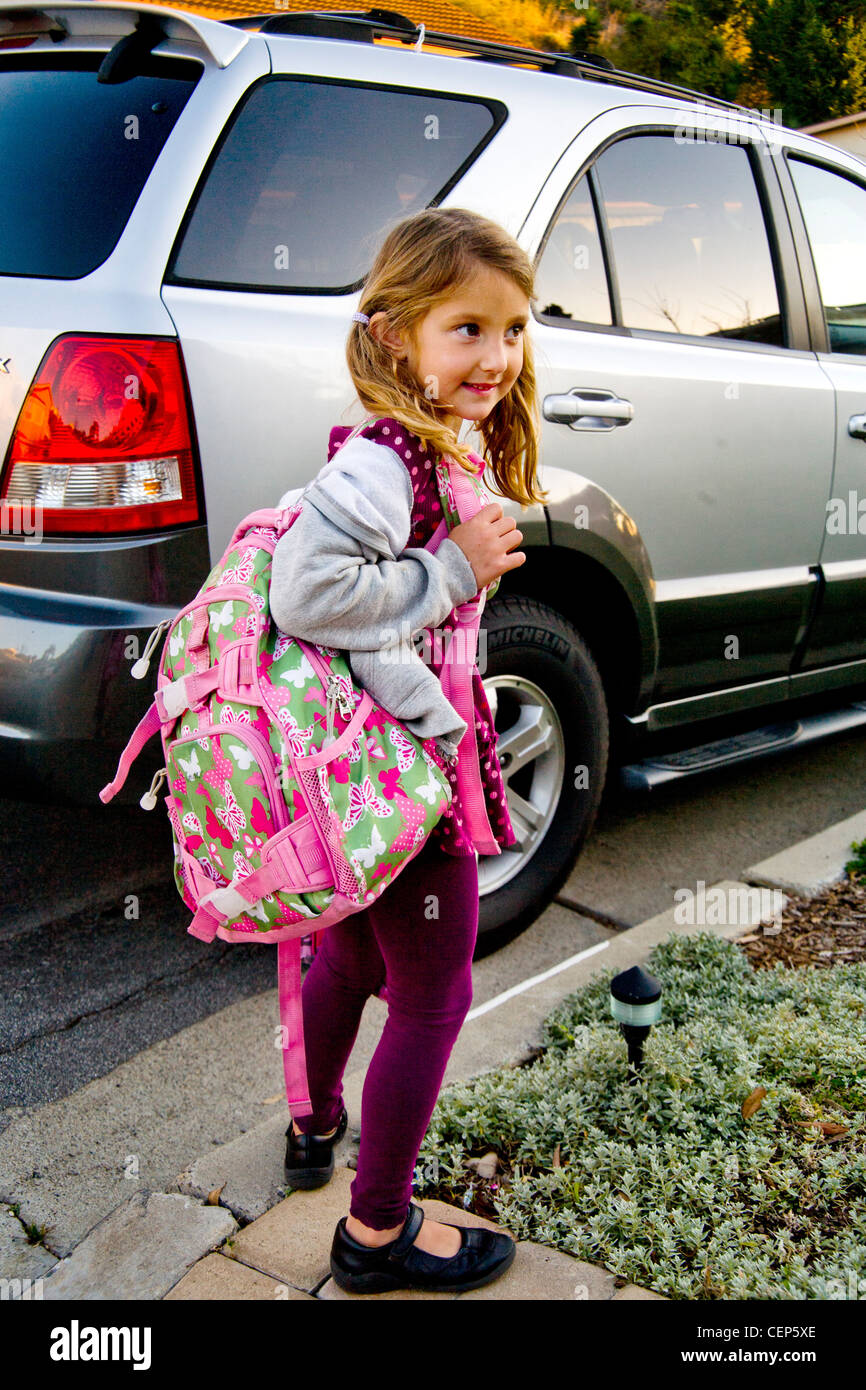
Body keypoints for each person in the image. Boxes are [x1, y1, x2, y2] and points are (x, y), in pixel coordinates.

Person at [268, 206, 548, 1296]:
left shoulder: (425, 439)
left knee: (347, 952)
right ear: (396, 336)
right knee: (431, 997)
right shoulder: (392, 460)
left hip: (362, 764)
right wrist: (454, 574)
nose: (496, 355)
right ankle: (376, 1233)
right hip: (398, 775)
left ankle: (313, 1120)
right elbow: (307, 593)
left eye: (512, 329)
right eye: (466, 329)